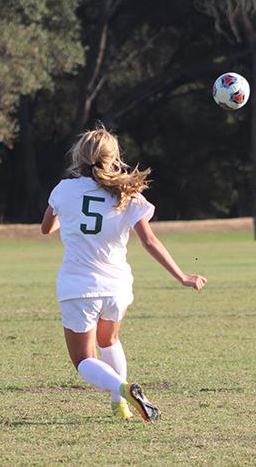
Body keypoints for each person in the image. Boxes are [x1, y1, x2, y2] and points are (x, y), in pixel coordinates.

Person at [41, 128, 207, 424]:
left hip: (78, 287)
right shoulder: (127, 192)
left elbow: (46, 228)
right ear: (114, 158)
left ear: (78, 157)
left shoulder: (63, 190)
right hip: (116, 286)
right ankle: (121, 406)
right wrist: (182, 276)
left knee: (84, 360)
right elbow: (150, 241)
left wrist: (66, 219)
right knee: (110, 341)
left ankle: (123, 388)